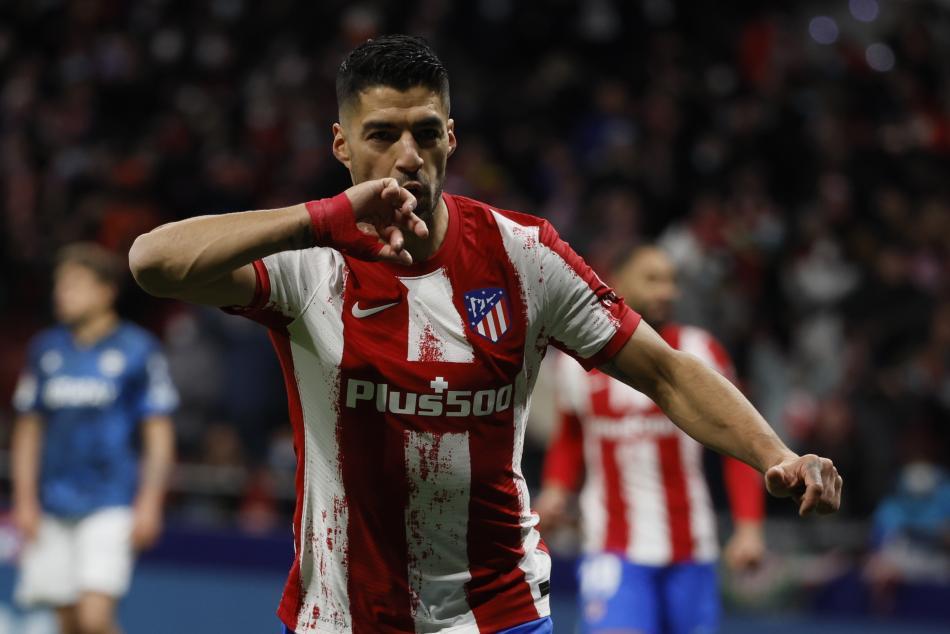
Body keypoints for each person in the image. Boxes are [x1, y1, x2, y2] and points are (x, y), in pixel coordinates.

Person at [128, 35, 842, 634]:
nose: (408, 155)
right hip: (340, 616)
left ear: (451, 137)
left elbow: (665, 370)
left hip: (496, 613)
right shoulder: (310, 263)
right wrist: (322, 218)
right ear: (342, 145)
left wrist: (777, 454)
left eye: (425, 132)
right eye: (382, 135)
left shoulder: (524, 256)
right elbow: (151, 264)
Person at [536, 246, 766, 633]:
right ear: (618, 283)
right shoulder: (576, 362)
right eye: (653, 279)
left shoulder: (701, 351)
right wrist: (556, 489)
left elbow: (738, 445)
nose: (667, 291)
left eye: (671, 281)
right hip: (612, 548)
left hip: (692, 549)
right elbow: (571, 436)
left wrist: (749, 528)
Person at [11, 243, 178, 634]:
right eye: (60, 286)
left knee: (94, 618)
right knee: (68, 622)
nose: (62, 294)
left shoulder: (138, 349)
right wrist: (24, 501)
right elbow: (29, 430)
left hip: (111, 501)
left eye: (74, 285)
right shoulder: (46, 350)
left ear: (106, 291)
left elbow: (158, 432)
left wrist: (150, 502)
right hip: (54, 503)